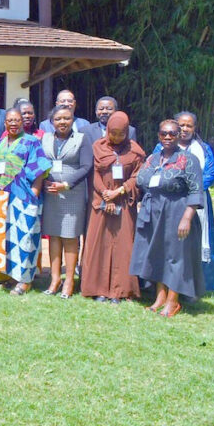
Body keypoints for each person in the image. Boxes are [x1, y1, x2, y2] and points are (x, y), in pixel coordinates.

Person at [132, 119, 205, 317]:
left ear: (179, 135)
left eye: (172, 133)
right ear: (158, 135)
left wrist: (187, 218)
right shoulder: (153, 158)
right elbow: (142, 181)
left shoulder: (188, 160)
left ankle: (173, 301)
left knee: (176, 256)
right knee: (158, 254)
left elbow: (196, 190)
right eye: (164, 133)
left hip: (177, 210)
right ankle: (160, 298)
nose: (167, 137)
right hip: (154, 211)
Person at [80, 112, 145, 302]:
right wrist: (105, 196)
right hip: (100, 201)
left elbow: (136, 176)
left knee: (122, 245)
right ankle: (98, 289)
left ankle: (120, 290)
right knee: (99, 244)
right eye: (113, 133)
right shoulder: (97, 147)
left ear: (127, 132)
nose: (116, 137)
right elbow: (94, 173)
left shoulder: (135, 151)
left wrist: (119, 192)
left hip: (124, 202)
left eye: (120, 134)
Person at [0, 108, 52, 294]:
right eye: (10, 120)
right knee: (6, 238)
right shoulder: (1, 142)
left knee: (25, 237)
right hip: (2, 197)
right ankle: (11, 274)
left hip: (24, 196)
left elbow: (40, 169)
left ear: (22, 122)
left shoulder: (31, 142)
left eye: (17, 120)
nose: (13, 123)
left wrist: (34, 192)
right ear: (5, 123)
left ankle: (25, 280)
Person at [41, 105, 93, 297]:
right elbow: (40, 162)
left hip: (72, 193)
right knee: (54, 236)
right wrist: (42, 178)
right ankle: (55, 279)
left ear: (73, 120)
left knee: (70, 237)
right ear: (51, 122)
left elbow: (87, 166)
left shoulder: (81, 139)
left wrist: (66, 183)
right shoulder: (45, 138)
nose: (62, 122)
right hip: (51, 193)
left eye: (66, 118)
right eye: (58, 119)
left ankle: (69, 281)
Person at [169, 111, 214, 292]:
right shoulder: (164, 146)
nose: (184, 129)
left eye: (189, 125)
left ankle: (203, 284)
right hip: (172, 200)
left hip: (199, 201)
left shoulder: (203, 149)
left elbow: (211, 174)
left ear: (195, 128)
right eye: (181, 125)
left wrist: (192, 188)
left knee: (200, 241)